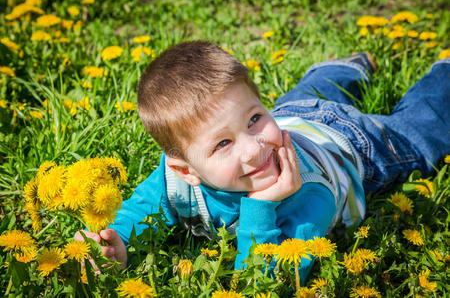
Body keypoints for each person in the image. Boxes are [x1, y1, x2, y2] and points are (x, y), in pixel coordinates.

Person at [75, 40, 450, 281]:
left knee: (421, 131)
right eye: (222, 143)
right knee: (306, 95)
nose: (254, 149)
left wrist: (260, 208)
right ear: (185, 170)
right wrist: (117, 242)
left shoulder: (308, 197)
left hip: (352, 146)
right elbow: (138, 210)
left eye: (254, 118)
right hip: (292, 116)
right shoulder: (173, 180)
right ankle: (342, 69)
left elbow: (269, 283)